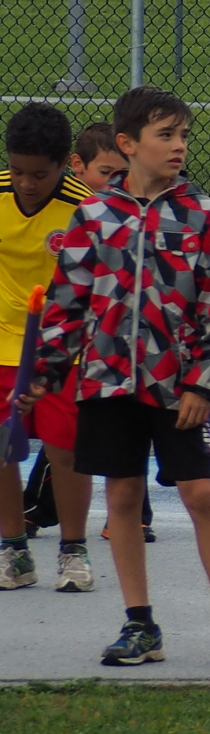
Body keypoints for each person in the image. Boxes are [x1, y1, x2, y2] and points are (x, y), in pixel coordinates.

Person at [21, 85, 210, 671]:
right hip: (109, 382)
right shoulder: (94, 217)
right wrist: (48, 370)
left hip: (176, 387)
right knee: (122, 495)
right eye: (166, 135)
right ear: (127, 144)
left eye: (184, 135)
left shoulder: (202, 215)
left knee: (202, 495)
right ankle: (140, 625)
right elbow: (68, 305)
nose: (178, 146)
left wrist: (202, 386)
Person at [22, 122, 130, 558]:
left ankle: (128, 512)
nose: (115, 183)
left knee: (99, 427)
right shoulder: (73, 210)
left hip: (96, 340)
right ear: (77, 166)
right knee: (63, 438)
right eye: (106, 172)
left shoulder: (104, 214)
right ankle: (33, 514)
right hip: (49, 336)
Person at [1, 103, 89, 594]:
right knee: (1, 448)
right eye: (17, 171)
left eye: (39, 174)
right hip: (2, 340)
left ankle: (72, 552)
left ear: (63, 166)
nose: (26, 184)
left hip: (64, 347)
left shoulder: (84, 209)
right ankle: (13, 550)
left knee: (64, 450)